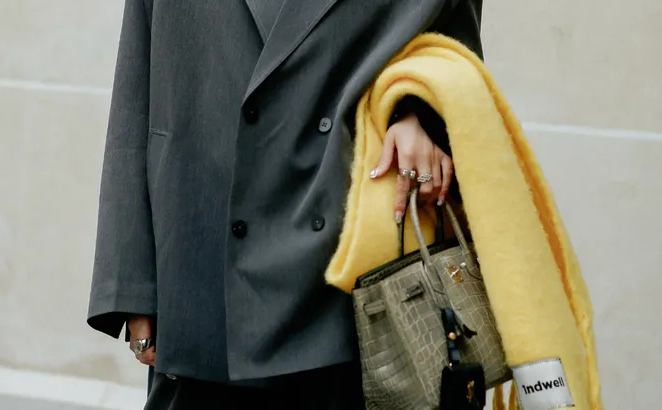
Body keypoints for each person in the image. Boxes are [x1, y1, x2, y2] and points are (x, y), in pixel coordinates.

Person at [87, 1, 483, 408]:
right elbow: (136, 92)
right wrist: (132, 286)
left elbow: (452, 50)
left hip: (347, 294)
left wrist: (416, 112)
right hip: (203, 267)